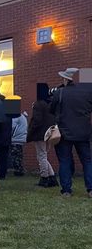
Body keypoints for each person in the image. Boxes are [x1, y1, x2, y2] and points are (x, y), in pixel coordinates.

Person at [50, 68, 92, 197]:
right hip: (83, 132)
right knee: (87, 161)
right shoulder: (88, 93)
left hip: (64, 132)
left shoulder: (60, 92)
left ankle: (66, 190)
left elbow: (51, 109)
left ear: (66, 79)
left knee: (65, 161)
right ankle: (90, 189)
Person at [26, 84, 58, 187]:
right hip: (49, 133)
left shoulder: (38, 104)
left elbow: (37, 120)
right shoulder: (51, 103)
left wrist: (30, 132)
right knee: (44, 155)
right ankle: (52, 177)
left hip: (39, 134)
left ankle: (44, 178)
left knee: (41, 156)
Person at [10, 111, 28, 176]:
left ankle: (18, 171)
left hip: (16, 138)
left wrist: (8, 135)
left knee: (15, 156)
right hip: (21, 138)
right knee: (19, 155)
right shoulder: (23, 116)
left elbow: (12, 127)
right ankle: (20, 170)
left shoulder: (16, 116)